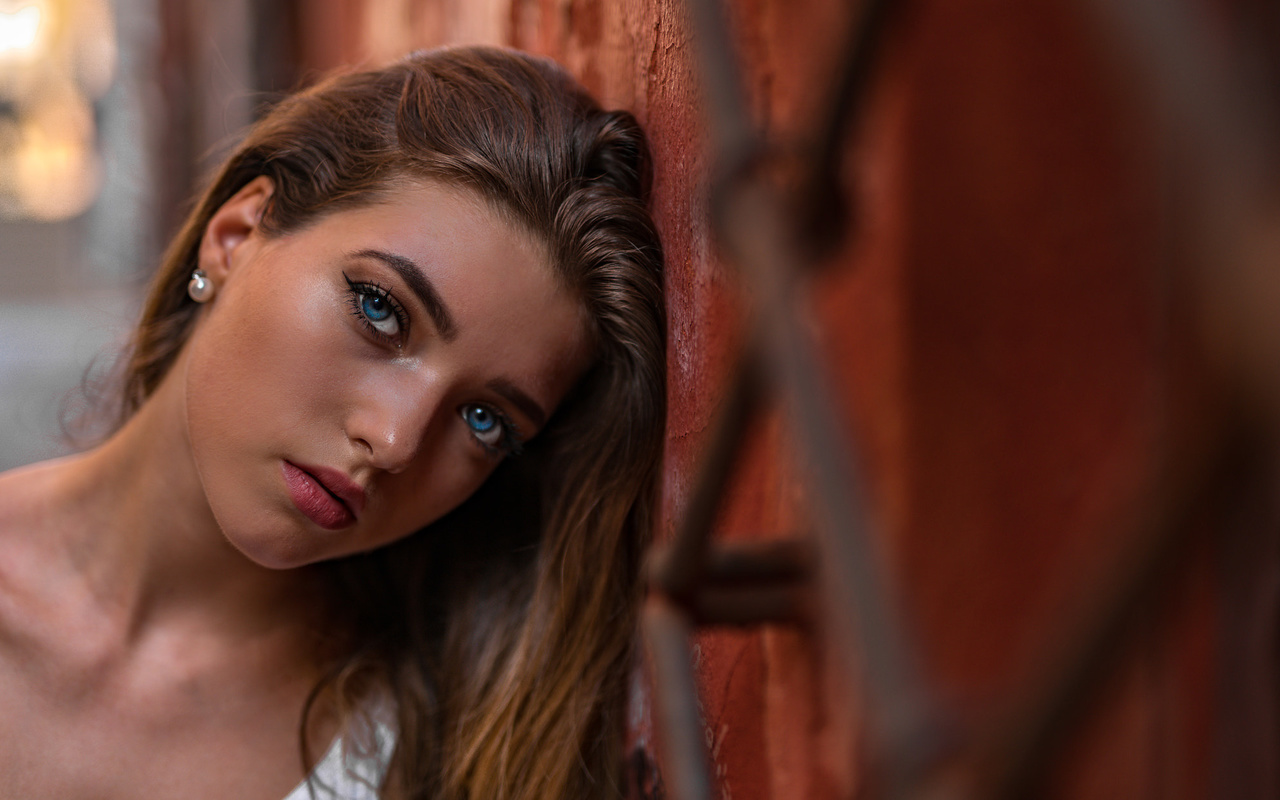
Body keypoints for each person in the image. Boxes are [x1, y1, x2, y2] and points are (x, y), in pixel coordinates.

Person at [0, 46, 665, 800]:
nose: (394, 441)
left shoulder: (461, 754)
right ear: (237, 235)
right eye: (381, 310)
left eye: (484, 420)